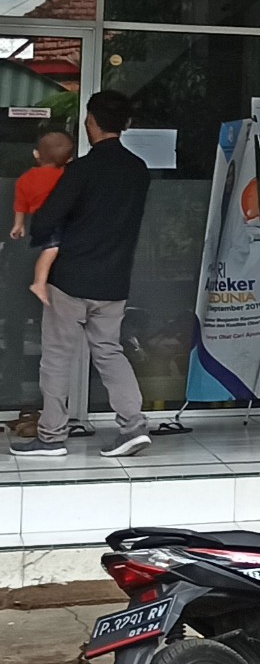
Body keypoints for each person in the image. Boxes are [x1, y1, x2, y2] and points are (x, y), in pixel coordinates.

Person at [10, 92, 153, 459]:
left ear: (91, 121)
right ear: (127, 124)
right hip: (114, 280)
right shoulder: (138, 170)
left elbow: (47, 219)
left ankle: (51, 436)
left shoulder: (82, 170)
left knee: (57, 356)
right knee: (109, 351)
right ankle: (133, 427)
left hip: (71, 278)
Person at [11, 130, 75, 306]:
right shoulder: (66, 176)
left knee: (51, 249)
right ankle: (39, 282)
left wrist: (18, 224)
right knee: (51, 249)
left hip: (38, 220)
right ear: (69, 159)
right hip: (58, 220)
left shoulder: (25, 179)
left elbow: (20, 203)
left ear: (36, 154)